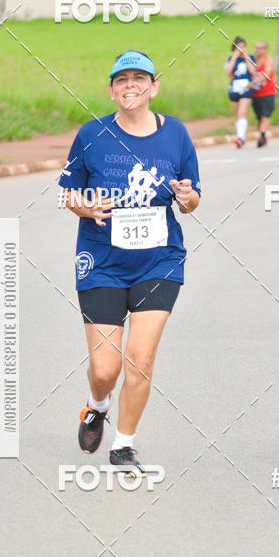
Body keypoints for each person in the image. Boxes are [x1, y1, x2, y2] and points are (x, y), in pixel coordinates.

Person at [59, 50, 201, 473]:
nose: (130, 86)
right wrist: (85, 208)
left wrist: (187, 197)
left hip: (159, 262)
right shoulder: (92, 134)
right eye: (122, 80)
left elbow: (193, 199)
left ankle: (124, 444)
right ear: (111, 89)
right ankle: (96, 403)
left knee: (140, 358)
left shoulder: (176, 135)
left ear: (154, 86)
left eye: (139, 78)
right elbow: (68, 193)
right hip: (102, 261)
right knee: (105, 368)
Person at [224, 37, 257, 148]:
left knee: (242, 112)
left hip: (246, 88)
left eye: (243, 46)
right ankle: (239, 135)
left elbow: (253, 71)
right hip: (234, 88)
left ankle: (241, 138)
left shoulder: (250, 57)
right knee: (237, 114)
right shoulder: (231, 59)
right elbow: (228, 72)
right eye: (239, 47)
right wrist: (235, 56)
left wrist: (246, 56)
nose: (241, 49)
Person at [252, 41, 276, 147]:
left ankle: (261, 136)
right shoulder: (252, 60)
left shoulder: (268, 60)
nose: (257, 50)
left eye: (260, 48)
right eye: (256, 47)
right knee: (259, 117)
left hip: (268, 93)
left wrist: (253, 83)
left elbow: (267, 74)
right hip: (256, 93)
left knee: (265, 115)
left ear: (265, 49)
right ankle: (264, 135)